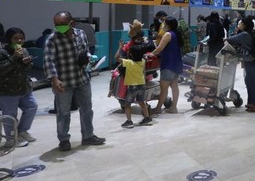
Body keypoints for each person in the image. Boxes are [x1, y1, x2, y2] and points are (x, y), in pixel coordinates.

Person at [44, 11, 105, 151]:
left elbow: (85, 50)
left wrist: (87, 57)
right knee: (63, 113)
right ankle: (64, 140)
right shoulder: (52, 39)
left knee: (87, 110)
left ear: (71, 23)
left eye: (62, 24)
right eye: (56, 24)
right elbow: (48, 61)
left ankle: (88, 136)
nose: (58, 27)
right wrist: (54, 79)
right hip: (64, 82)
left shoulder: (81, 34)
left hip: (82, 78)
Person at [0, 27, 38, 147]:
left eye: (21, 38)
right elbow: (1, 70)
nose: (19, 41)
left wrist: (27, 62)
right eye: (15, 38)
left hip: (24, 87)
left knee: (32, 107)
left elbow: (27, 68)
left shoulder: (24, 50)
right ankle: (11, 139)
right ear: (9, 39)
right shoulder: (2, 53)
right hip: (8, 90)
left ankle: (22, 131)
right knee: (10, 115)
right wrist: (14, 57)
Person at [149, 16, 183, 115]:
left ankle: (158, 108)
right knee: (174, 86)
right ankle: (174, 107)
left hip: (168, 64)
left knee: (163, 88)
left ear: (168, 24)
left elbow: (160, 48)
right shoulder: (176, 34)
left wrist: (151, 54)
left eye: (164, 23)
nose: (162, 24)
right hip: (176, 64)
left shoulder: (167, 34)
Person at [227, 18, 255, 112]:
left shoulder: (244, 35)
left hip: (250, 61)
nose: (239, 24)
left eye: (240, 23)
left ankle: (253, 104)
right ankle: (251, 103)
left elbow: (230, 39)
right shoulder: (252, 32)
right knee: (249, 81)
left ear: (244, 25)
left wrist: (235, 32)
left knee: (251, 82)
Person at [120, 44, 152, 128]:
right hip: (142, 85)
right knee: (141, 102)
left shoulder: (129, 63)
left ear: (131, 54)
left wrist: (120, 48)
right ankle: (147, 118)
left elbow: (116, 58)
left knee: (127, 104)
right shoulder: (143, 61)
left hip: (132, 86)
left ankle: (129, 121)